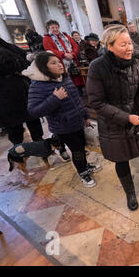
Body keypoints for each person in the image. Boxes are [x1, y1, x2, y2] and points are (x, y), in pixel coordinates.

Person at [87, 24, 139, 211]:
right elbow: (97, 102)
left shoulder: (135, 63)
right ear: (109, 46)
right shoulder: (97, 67)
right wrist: (126, 118)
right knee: (121, 159)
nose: (129, 48)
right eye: (123, 44)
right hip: (114, 122)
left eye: (130, 43)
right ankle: (130, 193)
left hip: (137, 116)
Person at [24, 52, 98, 187]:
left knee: (82, 147)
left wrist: (86, 116)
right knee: (77, 151)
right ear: (43, 67)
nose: (59, 65)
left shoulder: (64, 78)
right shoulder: (38, 86)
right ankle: (83, 173)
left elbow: (77, 101)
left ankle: (86, 166)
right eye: (53, 63)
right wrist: (55, 99)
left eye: (59, 61)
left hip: (77, 122)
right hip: (63, 126)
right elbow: (33, 111)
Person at [0, 20, 45, 145]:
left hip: (21, 88)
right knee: (14, 127)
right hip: (2, 94)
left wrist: (16, 67)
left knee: (33, 118)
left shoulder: (2, 44)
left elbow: (23, 59)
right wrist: (15, 67)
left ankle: (40, 145)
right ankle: (18, 152)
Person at [43, 20, 84, 96]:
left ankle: (79, 97)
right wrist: (63, 54)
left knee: (77, 82)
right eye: (52, 28)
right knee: (66, 82)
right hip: (60, 62)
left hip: (72, 61)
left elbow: (75, 46)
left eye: (56, 27)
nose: (55, 29)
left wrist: (73, 54)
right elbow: (49, 49)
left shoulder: (66, 36)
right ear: (48, 28)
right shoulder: (46, 38)